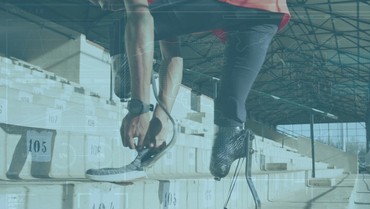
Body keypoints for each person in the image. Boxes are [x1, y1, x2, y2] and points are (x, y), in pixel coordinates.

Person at [87, 0, 290, 180]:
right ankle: (228, 142)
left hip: (239, 6)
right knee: (228, 120)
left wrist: (139, 108)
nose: (103, 5)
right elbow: (171, 56)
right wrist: (161, 119)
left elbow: (139, 19)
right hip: (264, 14)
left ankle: (126, 82)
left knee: (123, 27)